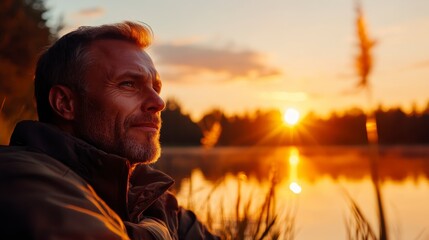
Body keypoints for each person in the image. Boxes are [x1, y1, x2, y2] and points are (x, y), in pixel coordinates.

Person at [0, 21, 220, 240]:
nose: (158, 102)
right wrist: (158, 230)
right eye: (128, 84)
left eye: (156, 88)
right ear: (65, 103)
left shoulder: (150, 195)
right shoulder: (18, 176)